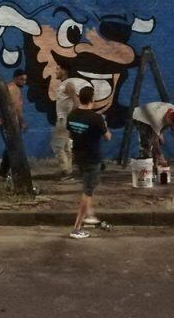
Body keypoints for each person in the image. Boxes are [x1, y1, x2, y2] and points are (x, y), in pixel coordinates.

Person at [66, 86, 111, 239]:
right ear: (92, 99)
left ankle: (89, 215)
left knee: (87, 186)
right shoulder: (96, 118)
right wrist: (104, 124)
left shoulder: (71, 115)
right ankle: (77, 228)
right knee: (88, 191)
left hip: (78, 157)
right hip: (93, 158)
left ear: (80, 98)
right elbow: (108, 137)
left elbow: (71, 134)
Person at [52, 62, 91, 179]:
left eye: (58, 69)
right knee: (65, 147)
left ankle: (66, 171)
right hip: (62, 119)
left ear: (64, 71)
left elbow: (76, 102)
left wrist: (70, 117)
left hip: (64, 120)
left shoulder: (68, 84)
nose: (55, 71)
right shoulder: (63, 84)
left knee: (57, 146)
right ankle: (68, 171)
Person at [132, 101, 174, 168]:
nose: (170, 126)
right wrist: (161, 156)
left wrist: (161, 133)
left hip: (154, 115)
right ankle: (147, 164)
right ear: (167, 117)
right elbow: (154, 140)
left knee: (160, 141)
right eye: (169, 123)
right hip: (140, 116)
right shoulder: (157, 118)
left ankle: (155, 163)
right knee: (147, 142)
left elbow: (166, 125)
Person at [0, 68, 28, 179]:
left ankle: (3, 173)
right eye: (21, 79)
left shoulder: (8, 87)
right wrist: (22, 122)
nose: (24, 82)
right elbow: (17, 108)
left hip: (5, 123)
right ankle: (9, 173)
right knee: (13, 148)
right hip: (10, 123)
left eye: (25, 80)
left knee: (10, 147)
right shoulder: (14, 90)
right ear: (15, 78)